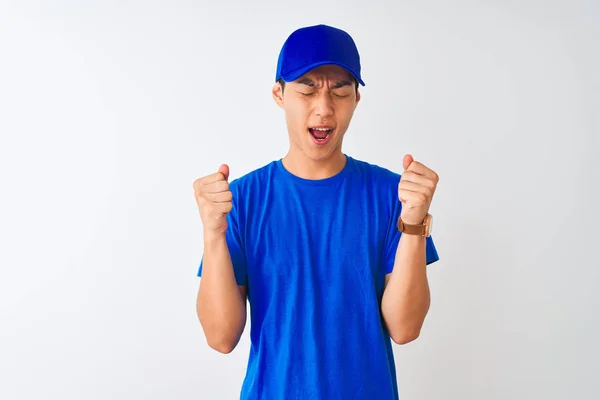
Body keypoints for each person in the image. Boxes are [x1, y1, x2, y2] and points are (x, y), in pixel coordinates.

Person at [193, 24, 440, 400]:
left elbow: (405, 328)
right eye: (307, 88)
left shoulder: (394, 196)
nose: (324, 108)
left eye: (340, 91)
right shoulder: (240, 200)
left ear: (356, 99)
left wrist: (414, 223)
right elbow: (221, 336)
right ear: (279, 94)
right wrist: (212, 233)